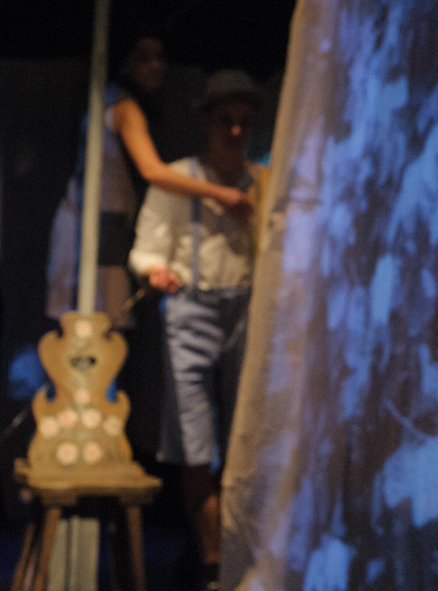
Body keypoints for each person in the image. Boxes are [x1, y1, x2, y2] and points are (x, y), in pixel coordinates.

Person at [128, 69, 267, 591]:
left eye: (244, 122)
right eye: (225, 121)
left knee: (244, 438)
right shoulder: (178, 178)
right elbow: (145, 249)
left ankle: (233, 556)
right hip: (192, 308)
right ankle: (211, 563)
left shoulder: (262, 181)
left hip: (246, 310)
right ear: (207, 122)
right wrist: (155, 271)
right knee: (194, 441)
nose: (235, 132)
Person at [46, 37, 253, 328]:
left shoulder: (119, 101)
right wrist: (220, 194)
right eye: (144, 57)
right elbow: (152, 171)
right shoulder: (122, 105)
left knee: (101, 323)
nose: (155, 66)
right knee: (92, 325)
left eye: (159, 57)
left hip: (106, 223)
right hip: (94, 226)